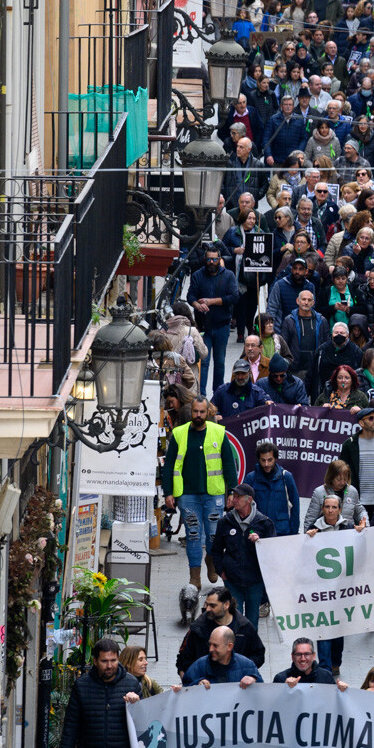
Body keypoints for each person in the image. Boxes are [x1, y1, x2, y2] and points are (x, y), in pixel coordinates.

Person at [161, 397, 239, 591]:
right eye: (195, 411)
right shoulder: (179, 434)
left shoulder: (219, 433)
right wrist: (168, 492)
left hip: (214, 494)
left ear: (208, 413)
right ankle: (194, 576)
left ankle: (211, 562)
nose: (198, 415)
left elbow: (229, 464)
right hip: (188, 495)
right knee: (193, 535)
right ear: (191, 411)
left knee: (213, 535)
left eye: (202, 412)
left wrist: (232, 491)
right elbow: (169, 465)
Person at [207, 482, 278, 632]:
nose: (234, 500)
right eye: (234, 496)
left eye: (238, 497)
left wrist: (260, 542)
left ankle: (249, 653)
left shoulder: (264, 523)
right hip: (232, 581)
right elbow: (217, 550)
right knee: (232, 620)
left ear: (249, 500)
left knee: (251, 623)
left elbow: (273, 553)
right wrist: (222, 572)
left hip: (255, 582)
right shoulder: (225, 522)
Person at [174, 586, 267, 680]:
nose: (207, 609)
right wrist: (193, 683)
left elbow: (258, 654)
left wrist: (244, 671)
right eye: (206, 605)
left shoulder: (245, 628)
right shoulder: (197, 629)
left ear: (226, 605)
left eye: (212, 606)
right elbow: (183, 661)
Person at [188, 244, 241, 394]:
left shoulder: (228, 276)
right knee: (203, 362)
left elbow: (234, 297)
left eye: (214, 259)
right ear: (205, 259)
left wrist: (212, 302)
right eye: (209, 259)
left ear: (219, 259)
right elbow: (190, 295)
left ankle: (218, 394)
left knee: (220, 362)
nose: (211, 262)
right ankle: (201, 394)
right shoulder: (198, 275)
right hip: (204, 325)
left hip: (222, 325)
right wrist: (197, 305)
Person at [249, 441, 300, 537]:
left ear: (276, 458)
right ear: (258, 460)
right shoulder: (251, 478)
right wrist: (250, 531)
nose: (266, 464)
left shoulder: (286, 477)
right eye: (263, 460)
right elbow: (244, 507)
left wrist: (293, 533)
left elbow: (295, 506)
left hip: (281, 532)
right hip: (258, 533)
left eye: (270, 460)